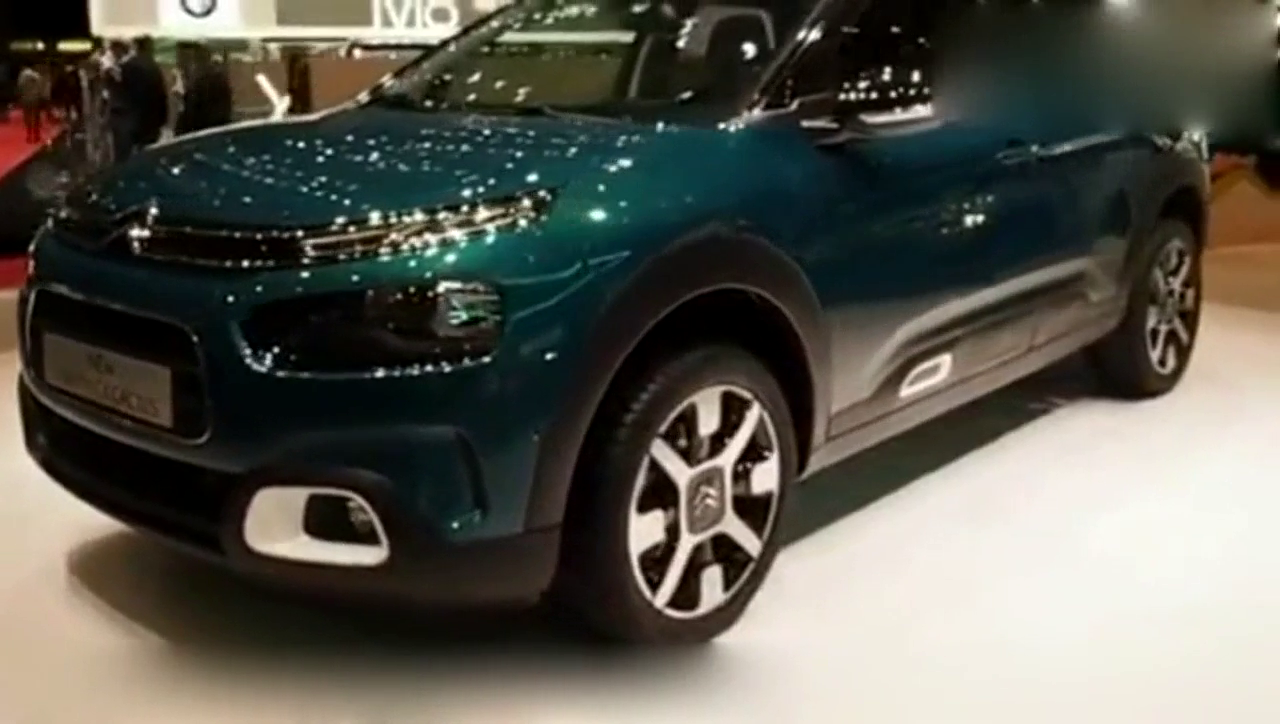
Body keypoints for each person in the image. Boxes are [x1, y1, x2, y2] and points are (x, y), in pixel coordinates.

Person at [118, 36, 169, 148]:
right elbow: (161, 95)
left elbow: (123, 97)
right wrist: (163, 119)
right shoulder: (154, 66)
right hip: (152, 122)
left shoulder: (127, 66)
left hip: (133, 123)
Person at [175, 44, 233, 136]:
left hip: (201, 134)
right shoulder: (218, 80)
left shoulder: (201, 84)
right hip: (216, 133)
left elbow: (191, 116)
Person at [16, 65, 46, 144]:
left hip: (26, 98)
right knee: (36, 117)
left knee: (27, 116)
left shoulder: (22, 75)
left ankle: (29, 135)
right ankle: (36, 135)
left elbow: (19, 87)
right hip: (35, 98)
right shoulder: (37, 75)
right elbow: (41, 87)